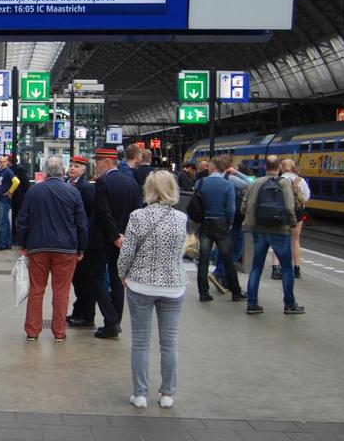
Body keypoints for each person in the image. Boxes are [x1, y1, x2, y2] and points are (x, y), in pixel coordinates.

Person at [118, 170, 188, 409]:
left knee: (140, 341)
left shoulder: (137, 216)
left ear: (148, 189)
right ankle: (167, 394)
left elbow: (127, 252)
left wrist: (122, 273)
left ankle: (140, 394)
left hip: (141, 284)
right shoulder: (181, 218)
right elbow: (180, 251)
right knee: (169, 342)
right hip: (173, 286)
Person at [16, 156, 87, 341]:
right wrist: (81, 249)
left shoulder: (34, 191)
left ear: (45, 171)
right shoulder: (73, 192)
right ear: (63, 171)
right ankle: (59, 332)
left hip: (38, 247)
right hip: (66, 249)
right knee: (62, 291)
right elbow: (81, 224)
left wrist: (23, 245)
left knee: (36, 290)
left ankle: (32, 332)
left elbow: (22, 220)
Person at [85, 146, 141, 339]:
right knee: (118, 281)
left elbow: (104, 212)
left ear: (108, 162)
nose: (96, 165)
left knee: (95, 277)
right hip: (124, 241)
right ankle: (114, 321)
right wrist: (125, 236)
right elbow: (136, 213)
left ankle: (111, 320)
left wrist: (114, 236)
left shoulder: (103, 183)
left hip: (102, 241)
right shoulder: (131, 183)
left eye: (98, 161)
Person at [242, 155, 304, 315]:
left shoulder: (255, 182)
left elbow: (244, 205)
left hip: (259, 229)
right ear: (280, 168)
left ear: (264, 167)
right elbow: (290, 208)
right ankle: (289, 304)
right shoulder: (285, 183)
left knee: (257, 266)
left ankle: (252, 304)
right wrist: (292, 223)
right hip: (279, 230)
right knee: (287, 267)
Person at [194, 157, 246, 302]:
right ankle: (235, 291)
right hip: (221, 224)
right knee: (228, 259)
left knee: (203, 259)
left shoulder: (200, 183)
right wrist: (229, 222)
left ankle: (203, 293)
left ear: (212, 167)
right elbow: (231, 208)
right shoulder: (227, 185)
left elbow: (196, 204)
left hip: (205, 224)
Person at [66, 155, 96, 328]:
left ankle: (87, 316)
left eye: (76, 166)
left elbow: (91, 215)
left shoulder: (85, 188)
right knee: (76, 280)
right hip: (72, 239)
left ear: (84, 170)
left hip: (82, 240)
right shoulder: (68, 184)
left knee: (84, 280)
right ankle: (78, 312)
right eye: (71, 165)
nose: (72, 168)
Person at [273, 158, 309, 279]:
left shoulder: (278, 179)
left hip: (281, 212)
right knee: (295, 241)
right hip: (297, 213)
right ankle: (297, 269)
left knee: (278, 240)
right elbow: (306, 197)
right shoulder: (300, 180)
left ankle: (275, 268)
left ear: (281, 168)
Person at [0, 156, 19, 251]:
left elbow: (16, 182)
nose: (2, 163)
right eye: (0, 162)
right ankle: (8, 243)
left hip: (4, 200)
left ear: (7, 162)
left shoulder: (8, 171)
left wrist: (10, 192)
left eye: (4, 162)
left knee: (2, 222)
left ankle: (1, 244)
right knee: (6, 222)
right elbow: (0, 184)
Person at [9, 154, 32, 240]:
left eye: (8, 161)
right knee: (15, 216)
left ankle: (19, 236)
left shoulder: (20, 169)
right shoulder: (13, 169)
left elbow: (26, 184)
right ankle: (15, 235)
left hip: (20, 197)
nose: (7, 163)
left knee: (19, 217)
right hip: (15, 198)